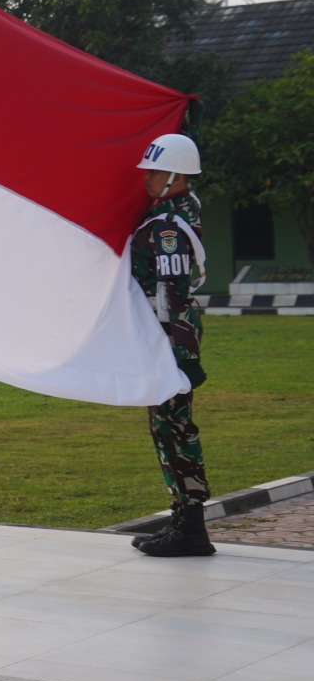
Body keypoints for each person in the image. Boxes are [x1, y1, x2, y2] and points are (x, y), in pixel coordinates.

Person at [130, 133, 215, 558]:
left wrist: (183, 355)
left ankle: (193, 527)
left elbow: (175, 290)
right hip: (163, 332)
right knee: (164, 424)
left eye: (156, 170)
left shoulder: (169, 226)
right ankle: (183, 515)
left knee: (175, 427)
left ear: (176, 176)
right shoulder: (173, 210)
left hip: (170, 334)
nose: (147, 177)